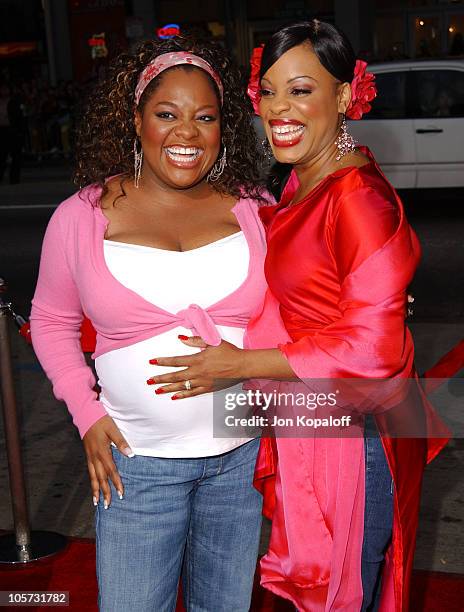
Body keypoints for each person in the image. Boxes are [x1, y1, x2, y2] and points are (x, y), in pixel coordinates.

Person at [148, 21, 448, 611]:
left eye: (302, 90)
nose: (279, 108)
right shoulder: (302, 180)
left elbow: (372, 351)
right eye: (269, 92)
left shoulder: (355, 197)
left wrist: (238, 366)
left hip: (356, 438)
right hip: (315, 419)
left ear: (344, 96)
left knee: (343, 595)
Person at [30, 36, 269, 612]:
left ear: (224, 128)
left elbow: (310, 303)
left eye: (204, 117)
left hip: (241, 464)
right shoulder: (81, 215)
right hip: (134, 467)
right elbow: (51, 320)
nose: (186, 133)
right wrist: (86, 415)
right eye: (167, 114)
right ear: (136, 120)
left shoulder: (257, 208)